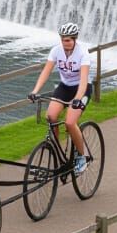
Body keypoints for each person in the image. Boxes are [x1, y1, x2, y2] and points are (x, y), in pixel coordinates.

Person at [28, 22, 93, 176]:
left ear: (75, 39)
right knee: (50, 116)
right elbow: (46, 72)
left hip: (81, 89)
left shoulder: (83, 53)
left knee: (70, 122)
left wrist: (77, 99)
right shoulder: (56, 51)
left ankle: (82, 157)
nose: (66, 43)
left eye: (69, 40)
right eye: (63, 39)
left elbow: (84, 80)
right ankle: (57, 151)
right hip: (64, 87)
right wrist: (35, 91)